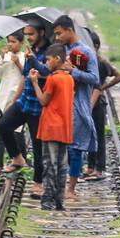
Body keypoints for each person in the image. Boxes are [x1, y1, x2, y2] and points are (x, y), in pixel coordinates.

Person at [0, 23, 50, 198]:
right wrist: (14, 100)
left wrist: (33, 60)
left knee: (38, 145)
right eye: (27, 35)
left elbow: (46, 73)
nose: (29, 38)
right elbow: (25, 76)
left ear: (41, 32)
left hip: (38, 106)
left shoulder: (50, 51)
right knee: (3, 125)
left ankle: (38, 183)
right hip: (24, 101)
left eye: (32, 34)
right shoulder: (30, 49)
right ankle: (18, 158)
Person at [51, 15, 100, 185]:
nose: (57, 38)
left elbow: (95, 79)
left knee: (75, 149)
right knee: (60, 147)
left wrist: (74, 72)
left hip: (77, 105)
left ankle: (71, 187)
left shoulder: (85, 52)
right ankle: (62, 183)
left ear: (70, 30)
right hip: (60, 105)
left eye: (59, 33)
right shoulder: (60, 51)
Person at [30, 44, 76, 208]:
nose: (47, 63)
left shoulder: (53, 79)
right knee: (62, 165)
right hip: (65, 128)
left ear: (57, 59)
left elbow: (43, 101)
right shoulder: (69, 79)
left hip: (51, 127)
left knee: (49, 163)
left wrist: (35, 83)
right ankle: (59, 201)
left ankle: (47, 201)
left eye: (48, 60)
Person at [85, 28, 120, 178]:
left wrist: (102, 87)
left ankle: (99, 168)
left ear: (95, 46)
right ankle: (90, 166)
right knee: (89, 134)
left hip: (98, 103)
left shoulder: (101, 62)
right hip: (87, 101)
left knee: (98, 135)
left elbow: (119, 76)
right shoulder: (86, 62)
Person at [0, 33, 25, 174]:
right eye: (9, 42)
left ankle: (20, 160)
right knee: (1, 128)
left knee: (17, 130)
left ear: (21, 43)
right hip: (4, 98)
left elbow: (26, 75)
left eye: (14, 42)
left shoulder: (23, 57)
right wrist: (3, 59)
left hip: (17, 97)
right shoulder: (4, 57)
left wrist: (17, 63)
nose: (10, 45)